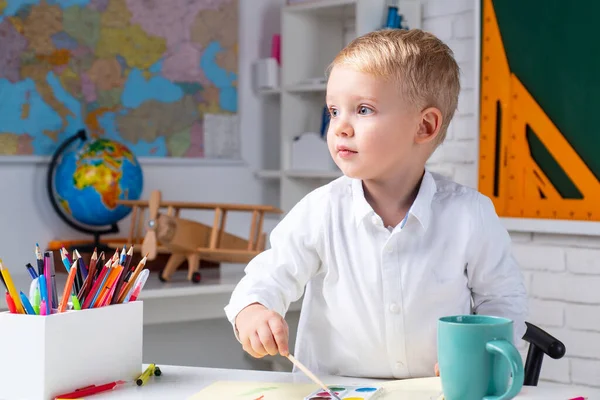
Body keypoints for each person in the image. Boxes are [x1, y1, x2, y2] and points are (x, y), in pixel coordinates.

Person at [224, 28, 528, 379]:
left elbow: (503, 299)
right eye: (334, 110)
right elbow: (268, 276)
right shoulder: (320, 210)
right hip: (333, 391)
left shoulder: (469, 215)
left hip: (433, 391)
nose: (340, 127)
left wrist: (480, 347)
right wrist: (254, 310)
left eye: (363, 110)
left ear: (425, 126)